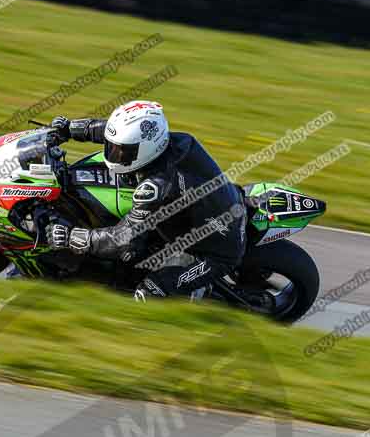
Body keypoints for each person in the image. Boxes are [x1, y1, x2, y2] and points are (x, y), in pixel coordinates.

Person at [45, 100, 247, 302]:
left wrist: (75, 238)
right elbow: (119, 133)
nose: (113, 154)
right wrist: (72, 129)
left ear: (145, 150)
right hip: (216, 208)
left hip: (215, 252)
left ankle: (201, 294)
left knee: (148, 293)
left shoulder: (156, 186)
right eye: (111, 148)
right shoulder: (176, 141)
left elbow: (124, 240)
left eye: (120, 151)